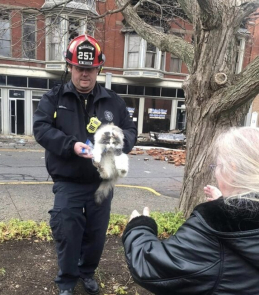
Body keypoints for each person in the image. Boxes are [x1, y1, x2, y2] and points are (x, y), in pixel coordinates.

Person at [33, 34, 137, 295]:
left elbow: (131, 130)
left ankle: (87, 273)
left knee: (96, 234)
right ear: (70, 67)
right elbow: (41, 129)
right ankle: (67, 281)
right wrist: (71, 146)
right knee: (67, 232)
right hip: (67, 181)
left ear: (97, 69)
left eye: (90, 69)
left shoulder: (113, 100)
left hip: (102, 182)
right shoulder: (54, 98)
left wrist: (119, 142)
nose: (85, 74)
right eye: (79, 68)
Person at [122, 127, 259, 295]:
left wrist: (139, 227)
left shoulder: (214, 229)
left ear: (233, 168)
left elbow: (150, 268)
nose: (215, 172)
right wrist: (226, 201)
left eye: (217, 165)